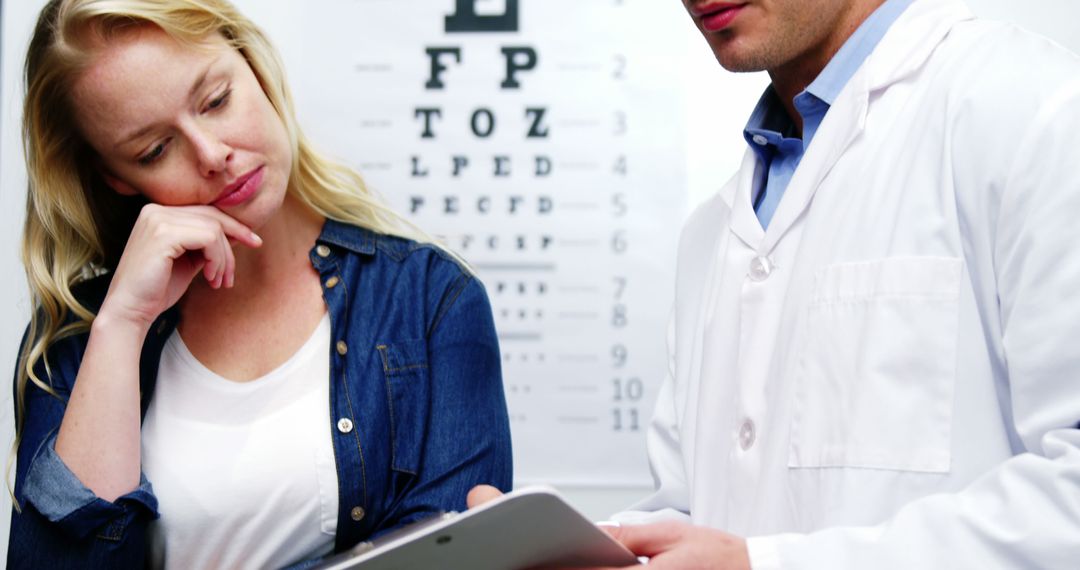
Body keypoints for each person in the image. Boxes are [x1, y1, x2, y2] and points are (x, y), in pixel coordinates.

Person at [471, 0, 1080, 567]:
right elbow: (702, 514)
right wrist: (595, 551)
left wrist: (767, 564)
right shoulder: (712, 231)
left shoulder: (1036, 110)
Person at [7, 0, 512, 568]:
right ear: (118, 178)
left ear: (253, 64)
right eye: (154, 150)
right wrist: (122, 325)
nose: (212, 154)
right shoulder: (75, 339)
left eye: (217, 100)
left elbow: (453, 557)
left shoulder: (430, 301)